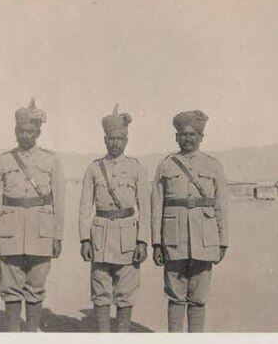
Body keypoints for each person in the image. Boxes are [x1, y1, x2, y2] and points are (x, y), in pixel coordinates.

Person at [0, 98, 65, 332]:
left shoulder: (51, 160)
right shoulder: (3, 160)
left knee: (36, 287)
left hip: (41, 233)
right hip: (9, 233)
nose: (25, 135)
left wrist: (57, 237)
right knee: (10, 288)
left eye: (30, 131)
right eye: (21, 130)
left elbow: (59, 200)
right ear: (15, 130)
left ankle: (31, 332)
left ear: (38, 132)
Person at [151, 110, 229, 332]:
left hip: (205, 241)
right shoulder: (166, 165)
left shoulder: (213, 165)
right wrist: (156, 243)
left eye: (193, 134)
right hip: (173, 242)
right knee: (175, 296)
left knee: (198, 298)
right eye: (183, 134)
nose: (188, 138)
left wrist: (223, 242)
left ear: (201, 137)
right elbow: (157, 207)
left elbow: (221, 206)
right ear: (176, 137)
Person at [78, 104, 150, 332]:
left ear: (126, 140)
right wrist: (84, 240)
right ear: (104, 140)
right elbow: (83, 208)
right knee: (100, 292)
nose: (115, 143)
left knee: (126, 293)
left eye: (119, 138)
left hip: (128, 237)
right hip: (100, 236)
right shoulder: (93, 168)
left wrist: (142, 241)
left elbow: (145, 209)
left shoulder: (136, 168)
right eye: (111, 139)